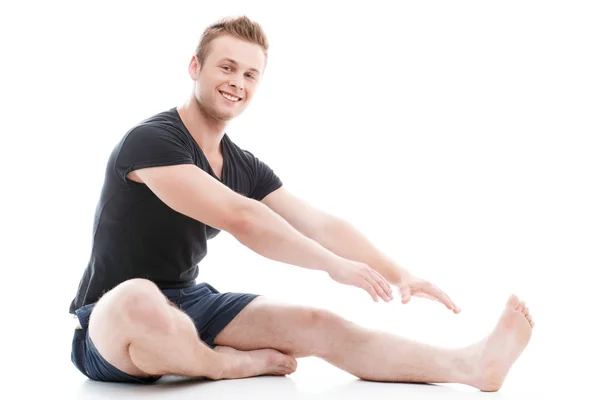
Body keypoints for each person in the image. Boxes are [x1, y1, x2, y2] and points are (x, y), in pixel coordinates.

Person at [69, 15, 534, 391]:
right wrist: (332, 266)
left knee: (318, 321)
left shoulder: (243, 166)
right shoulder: (151, 141)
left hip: (190, 303)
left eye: (250, 74)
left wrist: (400, 273)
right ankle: (225, 366)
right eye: (226, 67)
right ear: (196, 68)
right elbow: (241, 217)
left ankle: (470, 366)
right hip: (107, 319)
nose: (237, 82)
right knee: (138, 298)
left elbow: (320, 223)